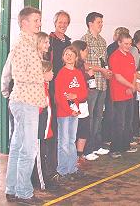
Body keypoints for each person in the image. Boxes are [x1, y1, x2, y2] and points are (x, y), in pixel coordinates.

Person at [5, 7, 47, 204]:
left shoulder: (31, 43)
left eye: (39, 20)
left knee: (17, 147)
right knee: (28, 150)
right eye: (36, 20)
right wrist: (43, 77)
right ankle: (23, 192)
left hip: (25, 102)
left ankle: (12, 188)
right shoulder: (23, 44)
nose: (39, 23)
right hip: (25, 103)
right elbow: (19, 75)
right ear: (24, 23)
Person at [1, 31, 50, 147]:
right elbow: (7, 72)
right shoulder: (20, 50)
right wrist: (6, 93)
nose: (48, 45)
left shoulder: (43, 59)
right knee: (19, 134)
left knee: (30, 136)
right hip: (22, 98)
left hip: (36, 100)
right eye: (45, 42)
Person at [52, 45, 88, 183]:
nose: (69, 56)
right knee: (63, 142)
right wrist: (69, 111)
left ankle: (72, 168)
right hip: (64, 113)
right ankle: (62, 170)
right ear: (63, 57)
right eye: (66, 54)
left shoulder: (78, 73)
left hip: (75, 113)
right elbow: (59, 97)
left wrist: (75, 96)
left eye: (71, 54)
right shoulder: (61, 73)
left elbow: (84, 93)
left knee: (71, 141)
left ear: (76, 57)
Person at [81, 12, 113, 160]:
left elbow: (104, 61)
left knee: (99, 116)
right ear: (90, 23)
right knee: (90, 116)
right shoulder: (84, 40)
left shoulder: (102, 41)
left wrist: (106, 72)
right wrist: (100, 70)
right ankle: (87, 149)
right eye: (98, 22)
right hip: (91, 84)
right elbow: (83, 64)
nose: (101, 24)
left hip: (102, 83)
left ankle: (96, 144)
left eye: (101, 22)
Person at [47, 10, 72, 179]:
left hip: (68, 87)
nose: (63, 25)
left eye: (65, 22)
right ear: (55, 22)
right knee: (55, 126)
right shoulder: (50, 40)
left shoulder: (69, 41)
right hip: (54, 87)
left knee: (66, 125)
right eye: (60, 22)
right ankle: (54, 162)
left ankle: (66, 161)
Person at [108, 33, 137, 159]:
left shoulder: (130, 56)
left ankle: (126, 145)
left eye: (130, 44)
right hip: (119, 94)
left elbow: (134, 73)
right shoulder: (114, 56)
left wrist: (133, 86)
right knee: (119, 122)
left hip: (129, 93)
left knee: (128, 121)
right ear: (119, 43)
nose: (128, 46)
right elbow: (118, 76)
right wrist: (130, 86)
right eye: (125, 43)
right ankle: (115, 148)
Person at [31, 60, 58, 192]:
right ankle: (42, 182)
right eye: (50, 71)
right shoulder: (39, 90)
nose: (53, 73)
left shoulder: (45, 87)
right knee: (39, 157)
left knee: (42, 155)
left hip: (44, 130)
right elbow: (38, 111)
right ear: (43, 73)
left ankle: (40, 179)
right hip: (39, 131)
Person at [102, 26, 129, 144]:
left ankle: (112, 137)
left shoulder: (123, 51)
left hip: (118, 84)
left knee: (115, 113)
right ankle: (110, 137)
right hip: (115, 85)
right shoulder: (113, 50)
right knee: (114, 113)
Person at [72, 40, 96, 162]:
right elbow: (77, 81)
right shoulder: (74, 67)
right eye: (86, 50)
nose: (87, 53)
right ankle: (74, 156)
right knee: (76, 129)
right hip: (75, 103)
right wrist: (88, 76)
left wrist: (90, 76)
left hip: (83, 101)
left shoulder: (82, 65)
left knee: (84, 128)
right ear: (80, 51)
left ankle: (80, 154)